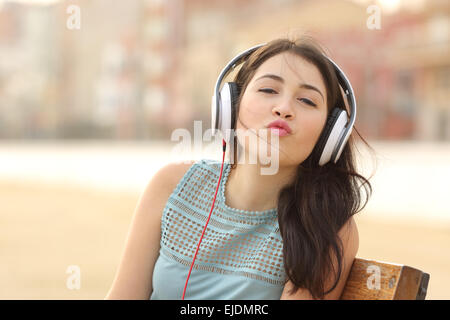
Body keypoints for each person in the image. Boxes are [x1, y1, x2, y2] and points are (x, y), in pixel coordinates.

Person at [105, 36, 374, 300]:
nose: (283, 108)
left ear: (331, 134)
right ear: (231, 106)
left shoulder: (326, 224)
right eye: (268, 90)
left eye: (307, 101)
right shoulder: (172, 184)